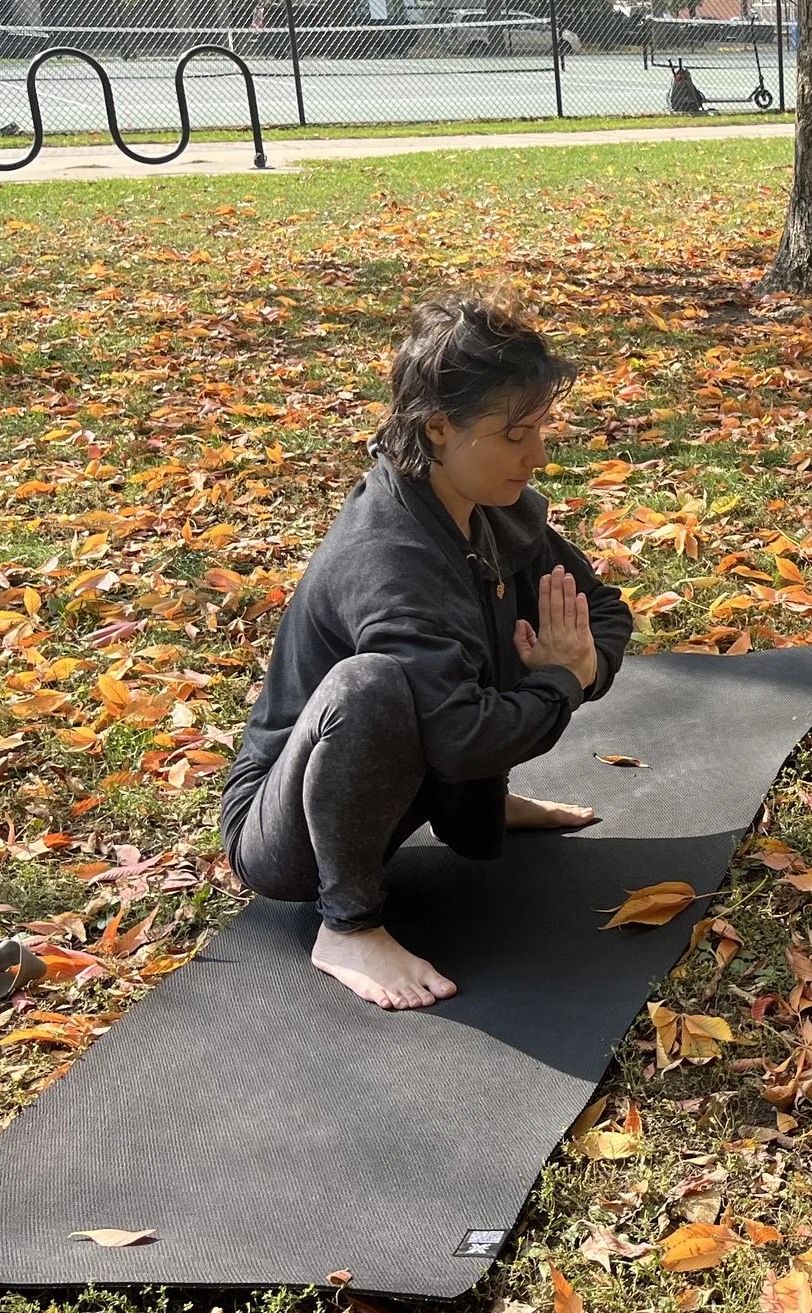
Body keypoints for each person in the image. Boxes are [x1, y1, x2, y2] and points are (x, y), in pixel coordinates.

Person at [222, 292, 635, 1012]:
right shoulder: (388, 553)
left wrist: (583, 665)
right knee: (372, 686)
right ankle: (346, 924)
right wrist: (560, 682)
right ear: (439, 428)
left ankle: (482, 809)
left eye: (539, 428)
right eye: (516, 434)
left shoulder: (492, 509)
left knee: (509, 616)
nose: (537, 454)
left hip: (408, 781)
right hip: (289, 830)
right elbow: (462, 736)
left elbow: (601, 609)